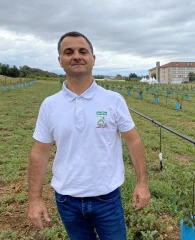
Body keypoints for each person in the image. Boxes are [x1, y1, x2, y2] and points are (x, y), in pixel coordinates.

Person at [28, 31, 151, 240]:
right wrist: (34, 200)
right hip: (67, 201)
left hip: (107, 199)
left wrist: (142, 183)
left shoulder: (113, 100)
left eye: (82, 51)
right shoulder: (50, 105)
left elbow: (133, 140)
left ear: (93, 59)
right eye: (69, 52)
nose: (76, 56)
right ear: (60, 61)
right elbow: (39, 153)